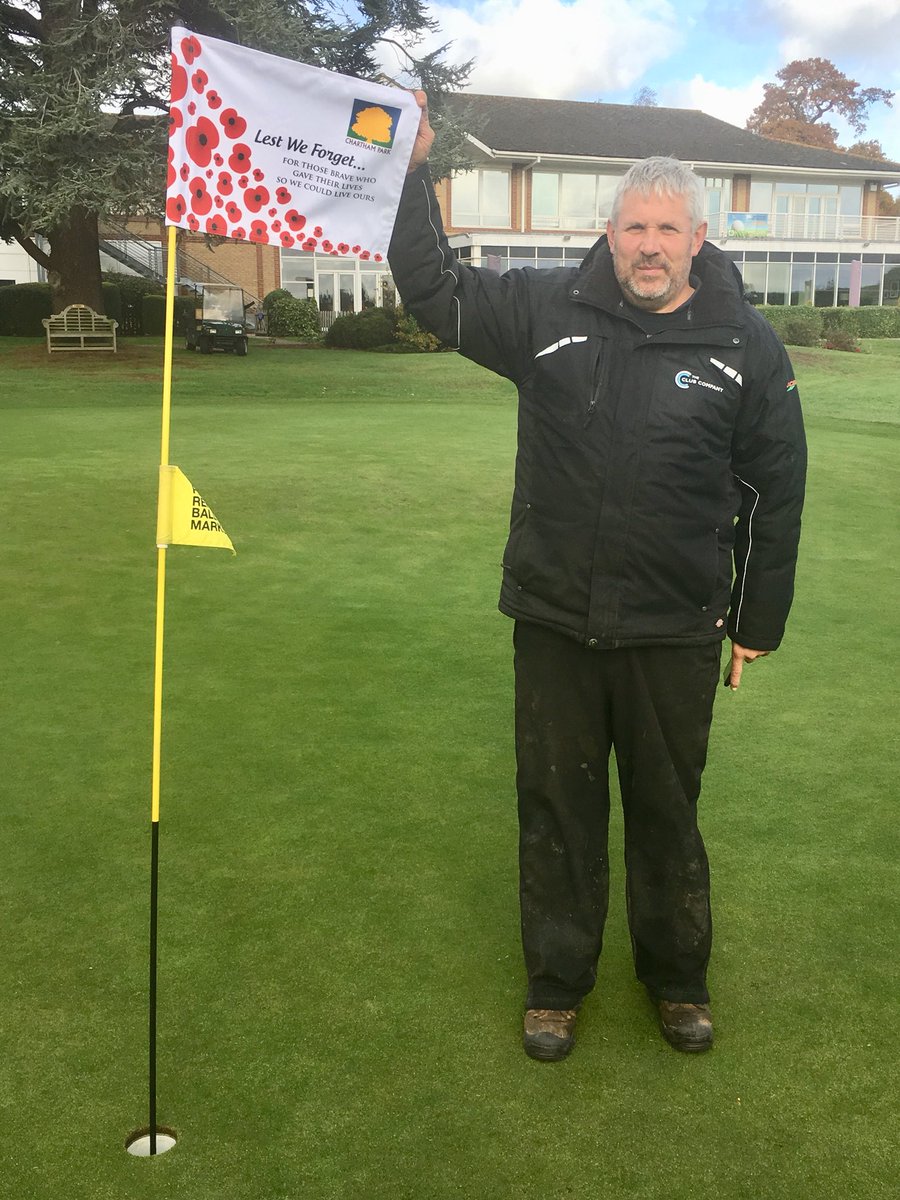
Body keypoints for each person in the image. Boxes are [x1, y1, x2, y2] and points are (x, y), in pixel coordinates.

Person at [388, 94, 806, 1059]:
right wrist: (411, 171)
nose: (648, 245)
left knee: (667, 810)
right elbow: (432, 288)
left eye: (667, 228)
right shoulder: (543, 309)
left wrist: (758, 621)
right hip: (555, 617)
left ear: (698, 238)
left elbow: (778, 487)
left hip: (675, 626)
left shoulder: (747, 344)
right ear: (608, 234)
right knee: (558, 807)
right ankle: (556, 984)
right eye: (634, 227)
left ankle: (678, 979)